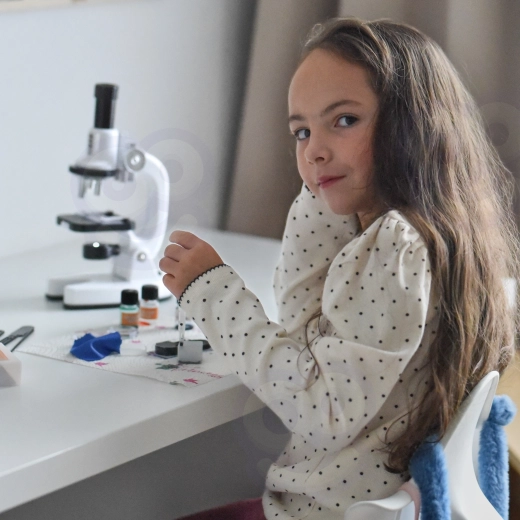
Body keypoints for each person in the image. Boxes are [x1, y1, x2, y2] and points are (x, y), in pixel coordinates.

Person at [159, 17, 520, 520]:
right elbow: (303, 332)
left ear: (412, 125)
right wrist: (324, 188)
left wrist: (211, 293)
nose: (314, 149)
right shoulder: (441, 234)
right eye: (301, 132)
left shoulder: (394, 247)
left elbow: (320, 407)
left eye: (345, 120)